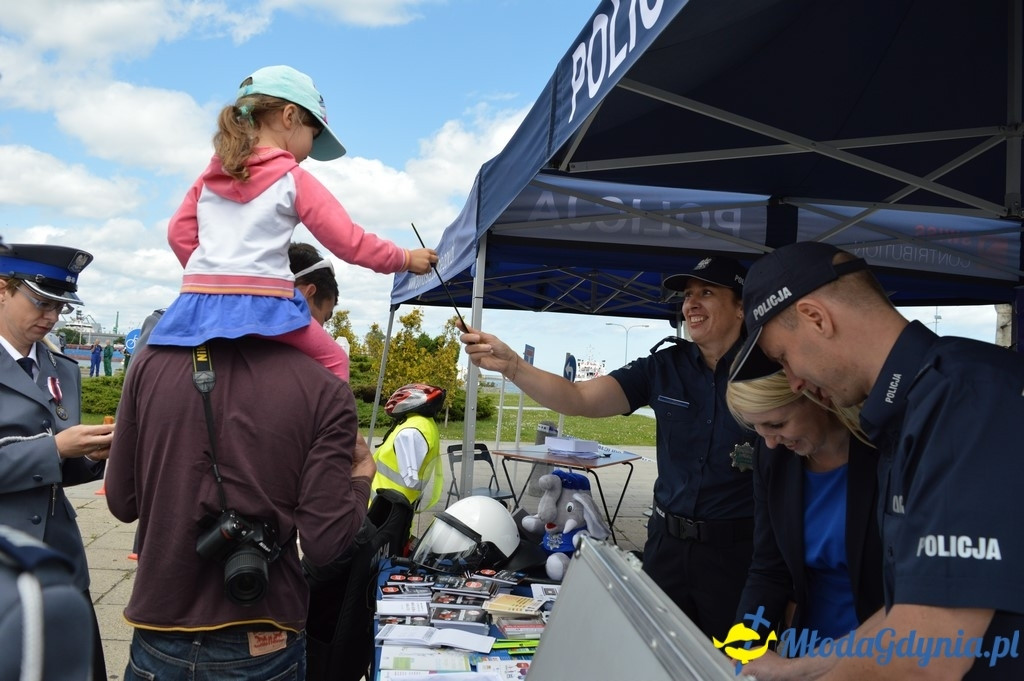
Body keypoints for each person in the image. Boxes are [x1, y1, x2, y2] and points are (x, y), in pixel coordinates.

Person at [730, 241, 1024, 680]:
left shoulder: (963, 396)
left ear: (816, 318)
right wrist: (796, 671)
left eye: (783, 358)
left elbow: (927, 653)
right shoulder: (908, 410)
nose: (792, 382)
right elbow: (905, 610)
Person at [460, 256, 756, 639]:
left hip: (738, 555)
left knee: (735, 663)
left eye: (707, 292)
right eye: (687, 295)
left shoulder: (770, 372)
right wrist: (514, 367)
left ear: (741, 307)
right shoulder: (664, 367)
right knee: (655, 653)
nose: (690, 304)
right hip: (667, 547)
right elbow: (579, 398)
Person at [105, 336, 377, 679]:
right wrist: (361, 478)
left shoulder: (149, 363)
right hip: (264, 633)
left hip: (159, 623)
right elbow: (326, 544)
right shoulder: (323, 388)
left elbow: (122, 501)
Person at [150, 64, 437, 382]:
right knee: (334, 362)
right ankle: (329, 433)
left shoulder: (210, 176)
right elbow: (348, 240)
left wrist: (213, 275)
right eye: (312, 135)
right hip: (264, 306)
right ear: (289, 118)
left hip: (197, 303)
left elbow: (179, 233)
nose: (310, 150)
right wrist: (406, 259)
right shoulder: (292, 179)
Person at [0, 243, 113, 680]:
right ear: (3, 290)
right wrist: (57, 448)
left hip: (59, 555)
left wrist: (95, 457)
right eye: (41, 301)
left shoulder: (62, 369)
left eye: (60, 306)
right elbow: (52, 451)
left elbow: (58, 471)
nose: (51, 316)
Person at [726, 352, 882, 640]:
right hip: (808, 642)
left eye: (777, 425)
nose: (770, 443)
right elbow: (768, 569)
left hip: (885, 647)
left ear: (816, 396)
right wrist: (743, 648)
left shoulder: (886, 454)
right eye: (757, 429)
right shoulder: (773, 459)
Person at [372, 383, 446, 509]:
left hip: (382, 512)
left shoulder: (411, 431)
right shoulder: (420, 423)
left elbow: (410, 479)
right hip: (389, 509)